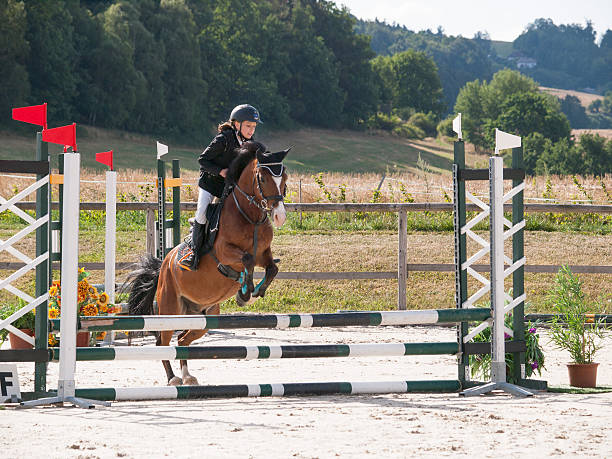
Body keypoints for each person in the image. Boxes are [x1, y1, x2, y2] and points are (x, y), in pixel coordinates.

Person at [179, 104, 263, 271]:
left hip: (230, 187)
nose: (251, 130)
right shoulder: (223, 139)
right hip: (210, 184)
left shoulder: (250, 143)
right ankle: (193, 253)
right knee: (202, 213)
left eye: (253, 127)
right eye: (248, 126)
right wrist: (220, 171)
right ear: (236, 124)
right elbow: (202, 161)